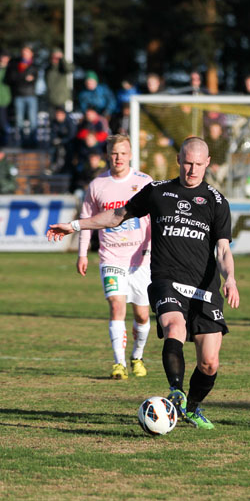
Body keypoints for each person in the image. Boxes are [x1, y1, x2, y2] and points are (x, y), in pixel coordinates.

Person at [47, 136, 240, 429]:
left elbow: (223, 248)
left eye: (199, 164)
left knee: (209, 363)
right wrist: (74, 225)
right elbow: (116, 216)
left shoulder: (216, 201)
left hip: (205, 287)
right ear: (178, 159)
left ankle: (192, 407)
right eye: (188, 162)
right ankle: (176, 393)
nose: (192, 170)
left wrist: (232, 279)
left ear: (208, 163)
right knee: (175, 326)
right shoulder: (158, 192)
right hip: (167, 280)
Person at [76, 135, 153, 379]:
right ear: (107, 155)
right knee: (116, 305)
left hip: (141, 259)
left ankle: (137, 357)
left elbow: (154, 220)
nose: (118, 157)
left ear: (130, 154)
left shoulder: (144, 182)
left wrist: (155, 249)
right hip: (111, 257)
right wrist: (82, 254)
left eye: (122, 152)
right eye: (114, 153)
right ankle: (118, 364)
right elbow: (86, 221)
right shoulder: (97, 185)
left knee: (142, 314)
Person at [7, 45, 40, 145]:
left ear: (31, 54)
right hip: (19, 95)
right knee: (19, 120)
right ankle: (21, 140)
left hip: (31, 95)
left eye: (27, 52)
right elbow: (13, 78)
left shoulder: (34, 66)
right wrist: (24, 77)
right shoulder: (16, 65)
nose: (25, 54)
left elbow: (33, 79)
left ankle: (33, 140)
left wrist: (21, 78)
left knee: (33, 120)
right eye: (23, 52)